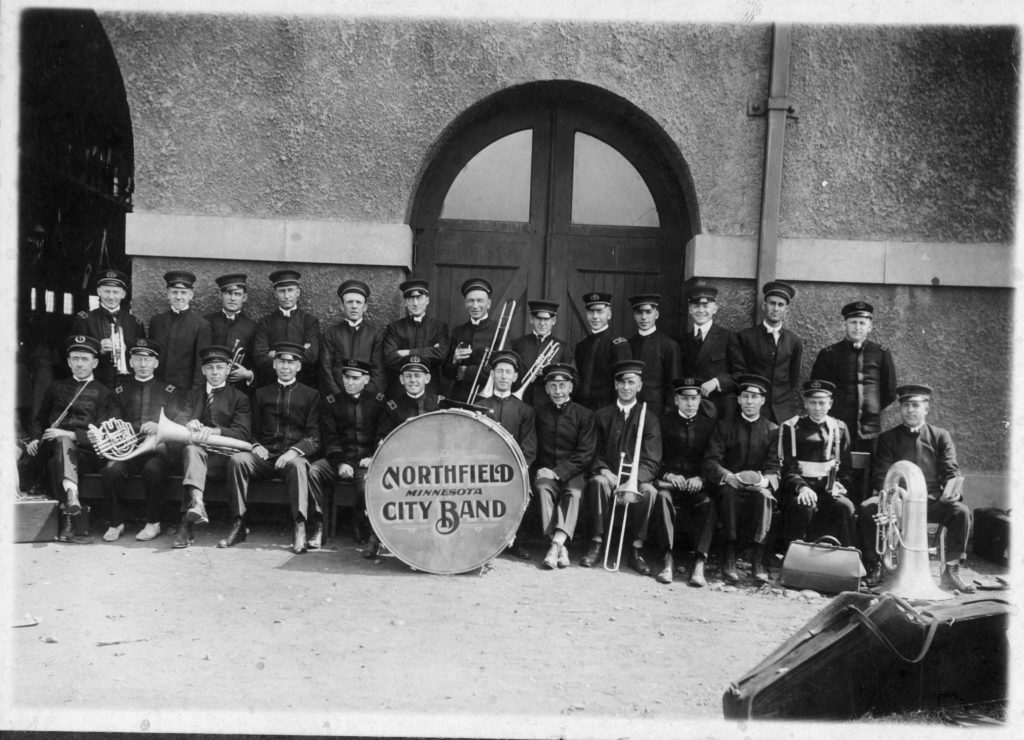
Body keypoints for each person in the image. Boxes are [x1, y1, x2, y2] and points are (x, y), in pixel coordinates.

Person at [857, 384, 974, 593]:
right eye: (905, 406)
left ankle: (951, 571)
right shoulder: (887, 438)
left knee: (961, 512)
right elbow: (881, 476)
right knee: (868, 508)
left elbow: (951, 472)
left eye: (915, 405)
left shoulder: (940, 436)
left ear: (926, 408)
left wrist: (953, 491)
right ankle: (875, 566)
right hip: (898, 500)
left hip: (930, 502)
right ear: (900, 409)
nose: (910, 410)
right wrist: (895, 499)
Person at [225, 342, 322, 553]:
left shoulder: (311, 395)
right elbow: (250, 430)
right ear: (274, 365)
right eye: (281, 362)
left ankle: (299, 527)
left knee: (298, 466)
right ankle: (238, 523)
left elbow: (314, 437)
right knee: (237, 461)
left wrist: (292, 452)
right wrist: (256, 445)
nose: (285, 367)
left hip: (292, 456)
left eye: (291, 362)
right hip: (265, 456)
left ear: (299, 367)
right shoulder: (261, 394)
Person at [26, 335, 118, 542]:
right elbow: (39, 419)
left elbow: (104, 434)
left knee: (55, 460)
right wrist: (34, 438)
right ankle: (72, 503)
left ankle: (70, 513)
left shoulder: (105, 393)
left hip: (87, 454)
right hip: (51, 447)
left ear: (94, 363)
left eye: (84, 359)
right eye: (75, 358)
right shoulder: (55, 387)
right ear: (68, 362)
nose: (79, 364)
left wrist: (69, 434)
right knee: (57, 448)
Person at [581, 360, 661, 575]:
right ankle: (597, 543)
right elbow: (592, 451)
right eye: (622, 383)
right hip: (608, 476)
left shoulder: (649, 418)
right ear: (615, 385)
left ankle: (636, 550)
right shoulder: (601, 415)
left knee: (651, 492)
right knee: (598, 482)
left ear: (639, 386)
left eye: (631, 382)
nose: (626, 387)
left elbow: (652, 460)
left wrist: (631, 481)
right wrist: (605, 471)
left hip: (635, 480)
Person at [97, 338, 181, 542]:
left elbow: (178, 421)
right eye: (138, 359)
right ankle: (116, 523)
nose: (143, 364)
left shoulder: (169, 390)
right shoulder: (119, 391)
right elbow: (113, 422)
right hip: (129, 450)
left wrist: (158, 427)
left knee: (153, 470)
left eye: (148, 359)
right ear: (131, 362)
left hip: (157, 451)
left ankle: (154, 523)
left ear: (156, 363)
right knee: (111, 470)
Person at [170, 345, 252, 549]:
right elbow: (180, 418)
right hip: (198, 456)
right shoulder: (193, 394)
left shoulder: (239, 398)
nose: (215, 372)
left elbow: (242, 433)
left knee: (191, 458)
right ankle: (196, 505)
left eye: (219, 367)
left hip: (224, 459)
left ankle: (187, 523)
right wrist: (188, 423)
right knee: (191, 451)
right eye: (210, 368)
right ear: (203, 370)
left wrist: (217, 431)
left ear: (227, 370)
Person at [703, 374, 781, 584]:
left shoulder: (772, 430)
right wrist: (727, 476)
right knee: (728, 493)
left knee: (765, 496)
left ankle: (758, 559)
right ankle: (729, 555)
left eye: (754, 397)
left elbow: (774, 467)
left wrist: (763, 482)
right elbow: (711, 460)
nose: (749, 402)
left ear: (763, 400)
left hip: (757, 487)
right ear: (738, 399)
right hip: (730, 485)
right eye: (745, 396)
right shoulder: (724, 426)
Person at [309, 358, 389, 545]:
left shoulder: (378, 402)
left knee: (365, 488)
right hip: (338, 459)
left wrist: (373, 457)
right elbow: (330, 437)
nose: (350, 382)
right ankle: (318, 526)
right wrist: (341, 463)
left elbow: (383, 435)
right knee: (313, 471)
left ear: (367, 379)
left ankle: (359, 522)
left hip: (365, 462)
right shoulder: (331, 402)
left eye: (355, 378)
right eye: (346, 377)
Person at [810, 301, 898, 458]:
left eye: (862, 323)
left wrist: (871, 408)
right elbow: (817, 393)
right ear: (845, 325)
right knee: (838, 468)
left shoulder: (881, 353)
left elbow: (890, 391)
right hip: (838, 426)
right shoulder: (829, 354)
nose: (857, 327)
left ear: (870, 327)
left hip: (870, 429)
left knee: (868, 472)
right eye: (853, 322)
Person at [652, 377, 717, 586]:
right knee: (662, 499)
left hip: (696, 484)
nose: (690, 403)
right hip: (670, 484)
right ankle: (667, 559)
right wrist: (668, 474)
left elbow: (713, 458)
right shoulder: (663, 422)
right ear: (676, 400)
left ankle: (699, 561)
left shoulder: (709, 426)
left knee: (709, 504)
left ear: (700, 400)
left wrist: (702, 478)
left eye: (695, 398)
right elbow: (654, 456)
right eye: (685, 398)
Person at [532, 363, 597, 569]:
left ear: (571, 387)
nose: (558, 391)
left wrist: (557, 472)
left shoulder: (585, 415)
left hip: (574, 472)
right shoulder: (539, 413)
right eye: (553, 386)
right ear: (547, 389)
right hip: (546, 470)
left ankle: (555, 546)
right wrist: (544, 472)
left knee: (573, 494)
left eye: (562, 385)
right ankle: (560, 546)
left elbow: (585, 454)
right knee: (542, 488)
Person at [778, 380, 855, 552]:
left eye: (822, 402)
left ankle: (848, 557)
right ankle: (794, 557)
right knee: (803, 506)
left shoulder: (839, 428)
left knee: (845, 506)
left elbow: (846, 468)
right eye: (812, 402)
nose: (817, 407)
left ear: (830, 404)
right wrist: (801, 488)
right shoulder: (792, 428)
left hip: (828, 489)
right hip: (800, 489)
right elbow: (787, 468)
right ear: (805, 403)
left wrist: (840, 483)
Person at [477, 350, 537, 559]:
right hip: (483, 469)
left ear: (515, 377)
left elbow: (529, 447)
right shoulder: (480, 406)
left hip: (514, 469)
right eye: (499, 371)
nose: (503, 376)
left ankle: (515, 540)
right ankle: (483, 540)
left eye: (508, 372)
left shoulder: (525, 410)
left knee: (520, 492)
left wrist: (515, 468)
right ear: (492, 374)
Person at [731, 281, 803, 424]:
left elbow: (793, 376)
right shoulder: (745, 337)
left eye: (780, 305)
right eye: (772, 303)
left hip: (783, 410)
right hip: (754, 408)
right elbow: (739, 373)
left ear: (786, 310)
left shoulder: (794, 340)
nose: (776, 308)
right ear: (764, 306)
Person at [72, 268, 146, 390]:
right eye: (107, 291)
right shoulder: (85, 319)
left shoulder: (135, 322)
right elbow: (77, 354)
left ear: (123, 294)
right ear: (99, 292)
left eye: (115, 292)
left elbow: (141, 355)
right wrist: (99, 350)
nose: (111, 297)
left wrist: (127, 350)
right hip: (96, 382)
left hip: (126, 384)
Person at [678, 284, 739, 420]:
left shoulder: (727, 337)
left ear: (715, 309)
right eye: (696, 306)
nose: (701, 310)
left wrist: (717, 382)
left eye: (705, 306)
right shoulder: (682, 340)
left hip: (720, 407)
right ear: (690, 309)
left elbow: (740, 373)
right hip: (691, 408)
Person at [382, 278, 450, 397]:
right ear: (405, 302)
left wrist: (406, 352)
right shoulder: (394, 328)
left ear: (427, 300)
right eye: (410, 299)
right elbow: (389, 358)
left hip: (430, 389)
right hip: (401, 390)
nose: (415, 303)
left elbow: (441, 354)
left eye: (419, 298)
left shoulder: (439, 327)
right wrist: (430, 350)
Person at [253, 269, 321, 388]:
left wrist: (273, 355)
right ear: (275, 294)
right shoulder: (265, 323)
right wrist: (300, 352)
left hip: (303, 384)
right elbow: (260, 357)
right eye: (282, 291)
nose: (286, 296)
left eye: (290, 290)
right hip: (271, 384)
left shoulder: (309, 321)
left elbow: (312, 356)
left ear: (298, 292)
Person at [320, 279, 386, 398]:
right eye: (349, 302)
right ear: (342, 306)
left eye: (358, 302)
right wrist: (338, 395)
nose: (354, 306)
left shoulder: (375, 334)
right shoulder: (331, 333)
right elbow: (326, 368)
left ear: (365, 307)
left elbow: (378, 369)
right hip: (338, 396)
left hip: (367, 398)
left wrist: (366, 396)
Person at [148, 271, 212, 392]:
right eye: (174, 292)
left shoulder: (201, 325)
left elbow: (200, 365)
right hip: (157, 387)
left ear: (191, 295)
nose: (178, 297)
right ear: (167, 294)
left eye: (183, 292)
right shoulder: (156, 321)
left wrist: (194, 394)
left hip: (184, 390)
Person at [444, 277, 498, 403]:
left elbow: (500, 368)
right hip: (459, 396)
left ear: (488, 303)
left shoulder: (499, 330)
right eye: (471, 301)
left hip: (488, 398)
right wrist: (454, 359)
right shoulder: (457, 331)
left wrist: (467, 372)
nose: (475, 305)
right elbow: (446, 373)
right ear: (465, 303)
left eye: (480, 301)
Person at [574, 291, 630, 411]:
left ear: (609, 314)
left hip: (608, 411)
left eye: (600, 311)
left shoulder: (618, 345)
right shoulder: (581, 346)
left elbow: (624, 382)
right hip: (581, 410)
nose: (595, 316)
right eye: (591, 312)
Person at [627, 293, 680, 415]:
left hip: (657, 410)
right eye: (639, 313)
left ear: (656, 314)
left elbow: (673, 385)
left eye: (648, 312)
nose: (644, 317)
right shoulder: (628, 344)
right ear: (634, 316)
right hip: (631, 408)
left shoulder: (669, 346)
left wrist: (669, 411)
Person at [204, 273, 257, 392]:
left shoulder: (252, 326)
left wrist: (248, 374)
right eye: (228, 293)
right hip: (208, 385)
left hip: (238, 389)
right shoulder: (206, 322)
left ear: (244, 297)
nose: (233, 298)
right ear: (220, 295)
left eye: (237, 294)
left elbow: (257, 359)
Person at [510, 299, 567, 407]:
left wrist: (549, 372)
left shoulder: (563, 347)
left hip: (548, 404)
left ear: (553, 321)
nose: (542, 323)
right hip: (521, 402)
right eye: (538, 319)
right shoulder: (517, 344)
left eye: (547, 319)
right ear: (531, 319)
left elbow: (572, 378)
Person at [384, 356, 443, 427]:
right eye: (408, 376)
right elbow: (385, 437)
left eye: (417, 376)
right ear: (402, 379)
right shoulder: (393, 408)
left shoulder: (438, 403)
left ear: (427, 378)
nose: (412, 380)